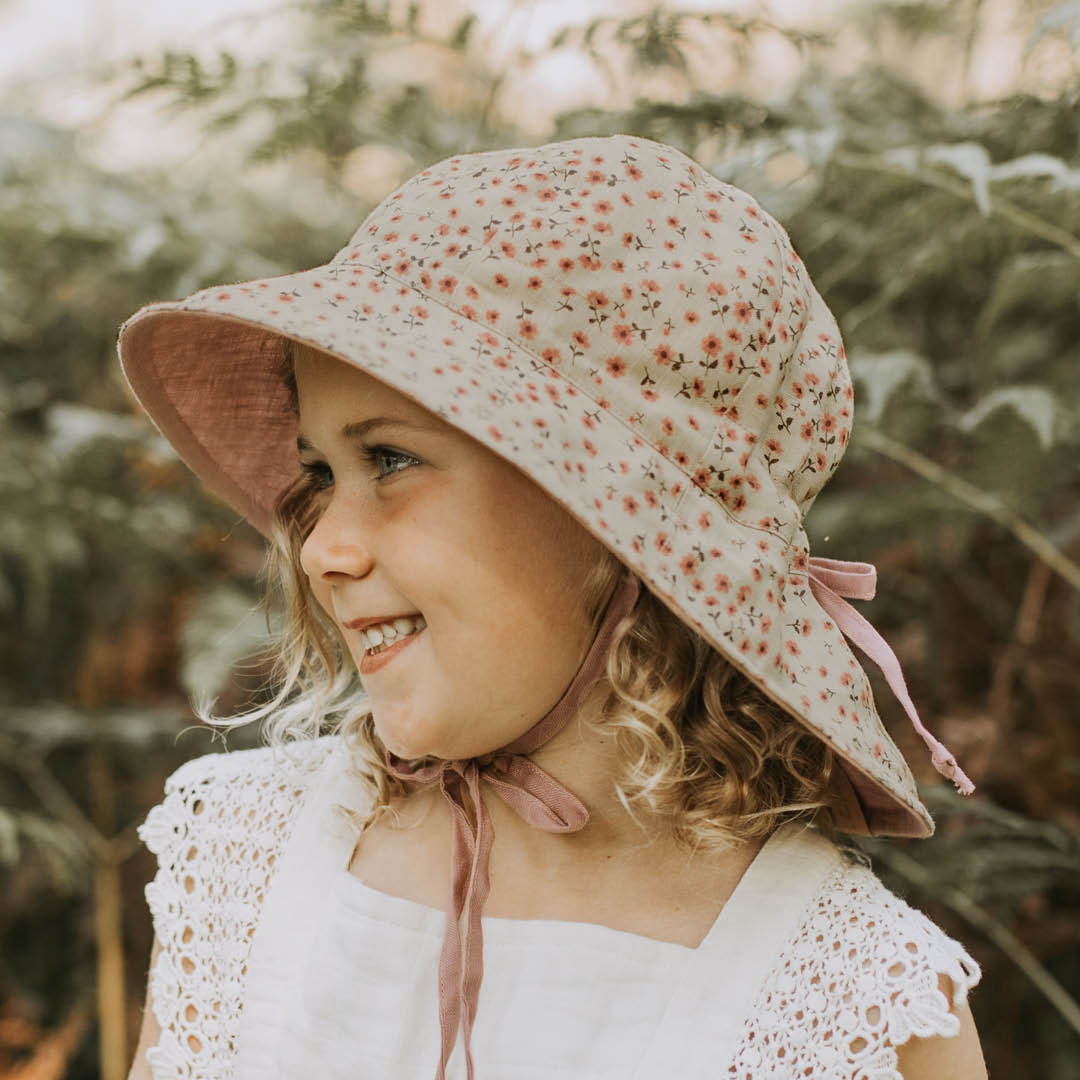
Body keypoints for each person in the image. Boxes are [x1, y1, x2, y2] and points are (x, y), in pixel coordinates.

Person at [119, 134, 987, 1079]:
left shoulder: (841, 999)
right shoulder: (250, 865)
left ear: (612, 517)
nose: (323, 547)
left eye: (392, 460)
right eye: (321, 473)